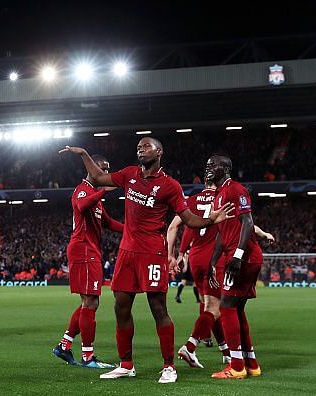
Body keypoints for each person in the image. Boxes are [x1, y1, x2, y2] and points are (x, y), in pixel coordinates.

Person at [59, 137, 233, 383]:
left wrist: (211, 219)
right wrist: (83, 154)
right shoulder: (129, 174)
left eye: (146, 146)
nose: (140, 149)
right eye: (138, 146)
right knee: (121, 306)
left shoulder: (170, 185)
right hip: (127, 253)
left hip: (153, 253)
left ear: (159, 152)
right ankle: (126, 364)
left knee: (158, 308)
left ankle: (169, 366)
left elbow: (188, 218)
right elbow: (97, 179)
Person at [168, 177, 276, 370]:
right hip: (215, 257)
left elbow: (174, 226)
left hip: (196, 257)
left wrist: (177, 254)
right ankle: (191, 346)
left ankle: (226, 352)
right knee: (218, 308)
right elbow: (242, 222)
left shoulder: (192, 199)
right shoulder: (222, 198)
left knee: (208, 304)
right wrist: (263, 233)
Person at [52, 154, 124, 369]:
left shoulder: (95, 195)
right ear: (91, 169)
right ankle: (88, 356)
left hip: (90, 250)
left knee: (89, 303)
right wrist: (104, 191)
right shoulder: (83, 190)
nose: (105, 173)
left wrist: (133, 229)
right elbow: (82, 206)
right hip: (83, 249)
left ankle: (64, 346)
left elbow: (108, 222)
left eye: (107, 169)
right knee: (91, 302)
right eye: (101, 169)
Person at [206, 155, 263, 379]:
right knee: (237, 309)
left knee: (227, 307)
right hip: (234, 256)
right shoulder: (219, 195)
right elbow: (223, 233)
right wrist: (213, 260)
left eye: (214, 165)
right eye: (207, 165)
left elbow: (247, 222)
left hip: (243, 258)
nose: (209, 167)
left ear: (226, 169)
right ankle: (251, 364)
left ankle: (236, 366)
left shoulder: (235, 189)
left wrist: (238, 256)